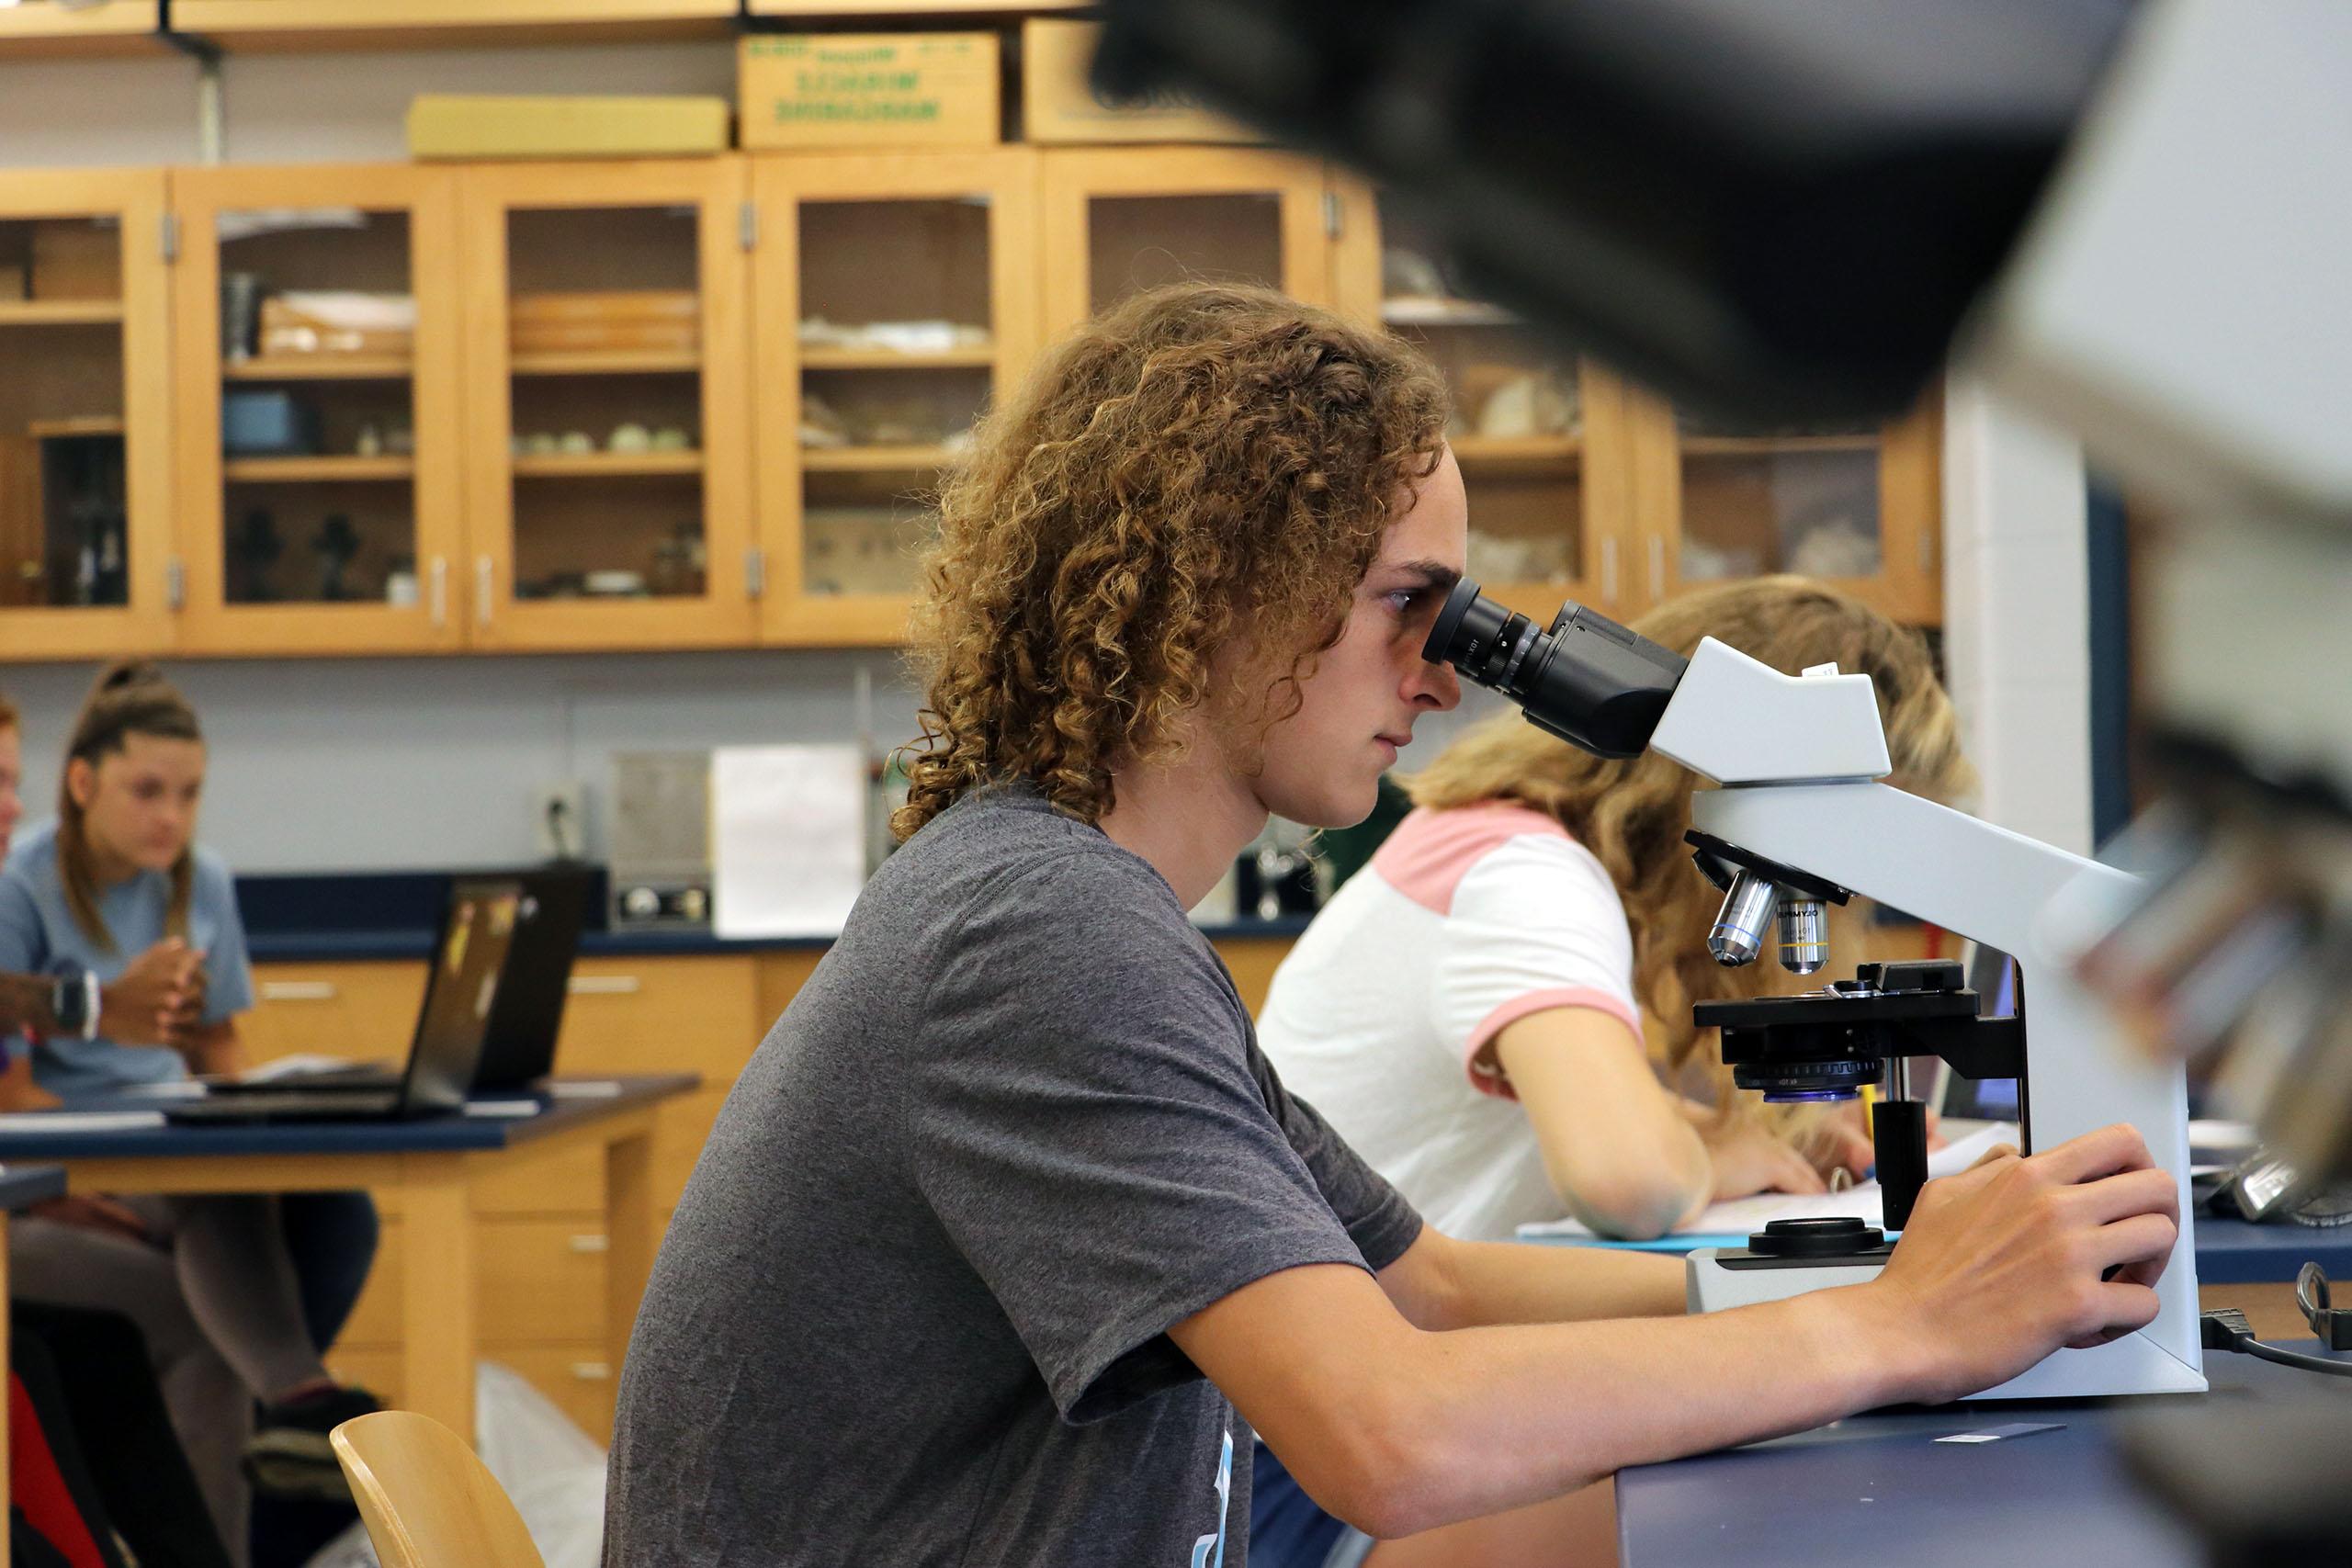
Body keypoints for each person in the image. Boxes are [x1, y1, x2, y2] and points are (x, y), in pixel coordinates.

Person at [603, 283, 2178, 1568]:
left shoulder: (1073, 903)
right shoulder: (1036, 928)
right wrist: (1902, 1327)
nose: (1440, 679)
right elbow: (1397, 1432)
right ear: (1213, 582)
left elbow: (1427, 1287)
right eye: (1404, 606)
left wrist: (1869, 1286)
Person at [1256, 578, 1973, 1247]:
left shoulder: (1491, 835)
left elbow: (1567, 1115)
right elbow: (1630, 1184)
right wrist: (1719, 1156)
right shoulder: (1523, 873)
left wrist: (1772, 1138)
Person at [0, 663, 379, 1561]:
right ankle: (288, 1422)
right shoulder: (22, 887)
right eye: (147, 791)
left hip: (154, 1168)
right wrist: (84, 1185)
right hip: (59, 1187)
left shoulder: (197, 880)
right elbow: (15, 1100)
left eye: (189, 794)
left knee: (315, 1208)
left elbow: (218, 1051)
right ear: (86, 785)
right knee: (192, 1319)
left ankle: (293, 1409)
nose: (170, 815)